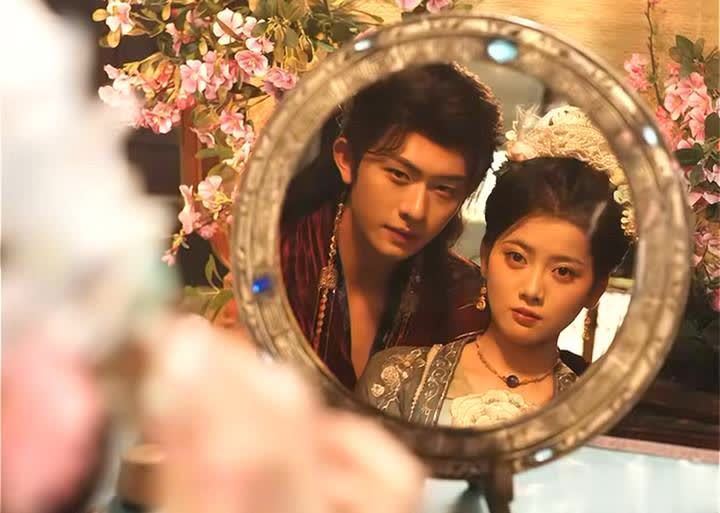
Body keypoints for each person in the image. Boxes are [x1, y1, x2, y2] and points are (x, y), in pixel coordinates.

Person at [356, 106, 634, 428]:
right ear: (486, 257)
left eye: (563, 272)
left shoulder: (601, 415)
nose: (532, 290)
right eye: (516, 258)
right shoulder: (398, 380)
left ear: (596, 289)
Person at [281, 63, 503, 388]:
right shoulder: (279, 255)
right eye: (399, 175)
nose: (415, 210)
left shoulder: (464, 299)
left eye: (443, 189)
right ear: (347, 159)